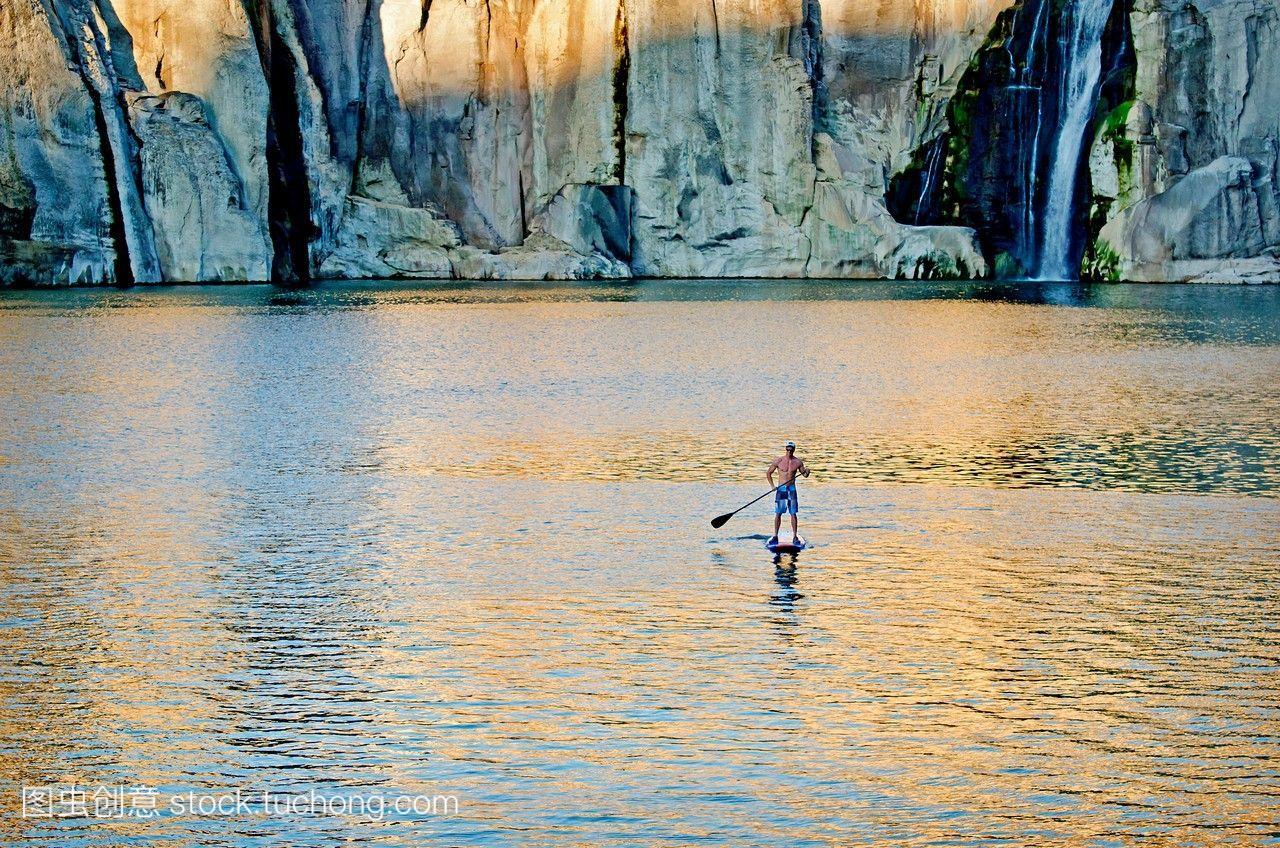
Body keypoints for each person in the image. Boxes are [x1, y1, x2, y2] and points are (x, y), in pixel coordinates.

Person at [767, 440, 809, 546]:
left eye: (791, 449)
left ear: (794, 450)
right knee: (778, 513)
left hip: (792, 489)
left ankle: (795, 537)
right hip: (781, 490)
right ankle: (775, 536)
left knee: (793, 513)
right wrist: (772, 486)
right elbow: (768, 473)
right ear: (785, 449)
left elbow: (804, 475)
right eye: (787, 449)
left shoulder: (798, 462)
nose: (789, 451)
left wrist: (807, 472)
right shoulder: (779, 461)